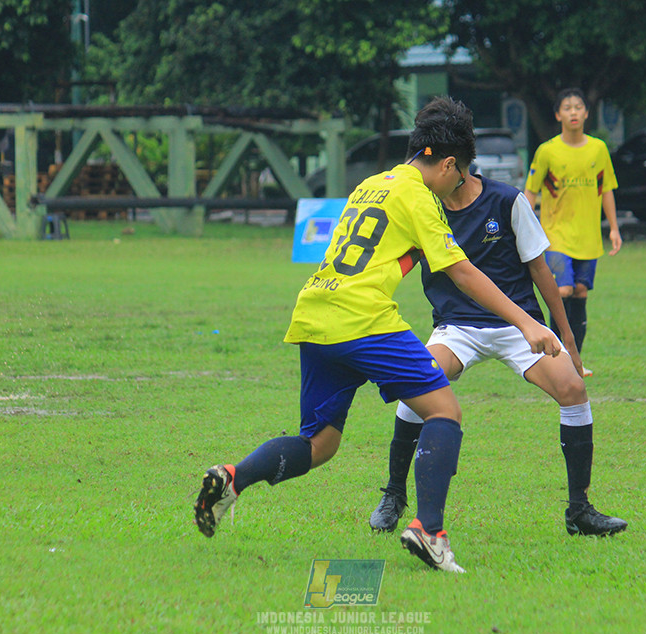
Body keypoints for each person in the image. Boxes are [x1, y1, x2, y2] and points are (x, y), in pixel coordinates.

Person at [194, 97, 561, 573]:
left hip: (315, 311)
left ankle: (233, 478)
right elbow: (463, 273)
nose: (458, 186)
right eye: (459, 176)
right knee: (444, 410)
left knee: (320, 443)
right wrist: (529, 323)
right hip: (362, 318)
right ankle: (430, 531)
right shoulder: (421, 197)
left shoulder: (369, 186)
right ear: (447, 164)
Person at [368, 165, 628, 537]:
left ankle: (580, 510)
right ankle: (393, 495)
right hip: (456, 326)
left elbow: (540, 270)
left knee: (573, 389)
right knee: (418, 383)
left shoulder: (508, 201)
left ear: (454, 165)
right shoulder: (423, 204)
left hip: (518, 324)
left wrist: (568, 341)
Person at [524, 88, 622, 375]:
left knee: (580, 292)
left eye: (578, 107)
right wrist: (522, 224)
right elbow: (530, 192)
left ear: (586, 113)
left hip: (588, 237)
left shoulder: (599, 149)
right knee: (563, 289)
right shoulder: (547, 151)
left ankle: (575, 361)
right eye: (567, 108)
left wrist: (614, 228)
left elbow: (606, 191)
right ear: (558, 115)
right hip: (555, 235)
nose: (574, 112)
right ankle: (560, 358)